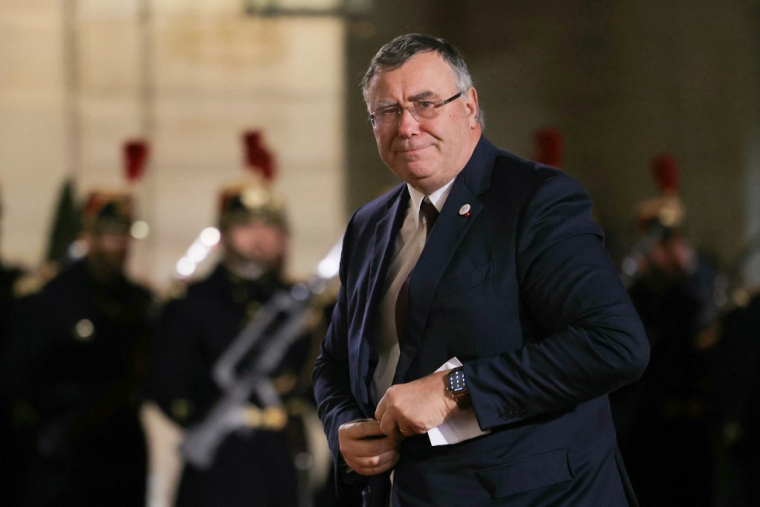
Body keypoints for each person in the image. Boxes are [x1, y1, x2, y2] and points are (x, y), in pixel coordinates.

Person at [312, 33, 650, 506]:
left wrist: (455, 387)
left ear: (469, 106)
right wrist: (342, 425)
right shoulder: (368, 225)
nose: (406, 126)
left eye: (425, 104)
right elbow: (334, 362)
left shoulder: (537, 200)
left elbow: (614, 344)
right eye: (387, 111)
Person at [148, 179, 309, 507]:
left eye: (269, 225)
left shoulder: (297, 301)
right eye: (246, 225)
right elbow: (166, 379)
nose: (259, 236)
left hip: (281, 453)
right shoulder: (192, 302)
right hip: (221, 457)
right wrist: (202, 415)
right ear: (224, 232)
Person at [0, 189, 153, 507]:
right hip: (58, 452)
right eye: (109, 235)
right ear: (88, 235)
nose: (118, 245)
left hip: (118, 452)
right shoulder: (49, 298)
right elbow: (19, 375)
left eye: (124, 234)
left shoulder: (139, 301)